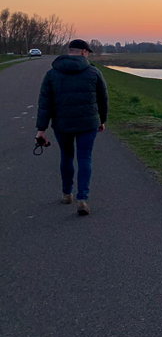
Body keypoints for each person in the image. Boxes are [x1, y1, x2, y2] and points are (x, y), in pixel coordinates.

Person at [36, 39, 108, 216]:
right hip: (88, 124)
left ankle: (67, 194)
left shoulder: (52, 74)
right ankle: (82, 199)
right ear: (84, 52)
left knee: (66, 156)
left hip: (62, 124)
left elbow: (45, 104)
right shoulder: (93, 72)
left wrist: (41, 129)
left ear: (70, 51)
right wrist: (102, 120)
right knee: (85, 158)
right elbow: (103, 99)